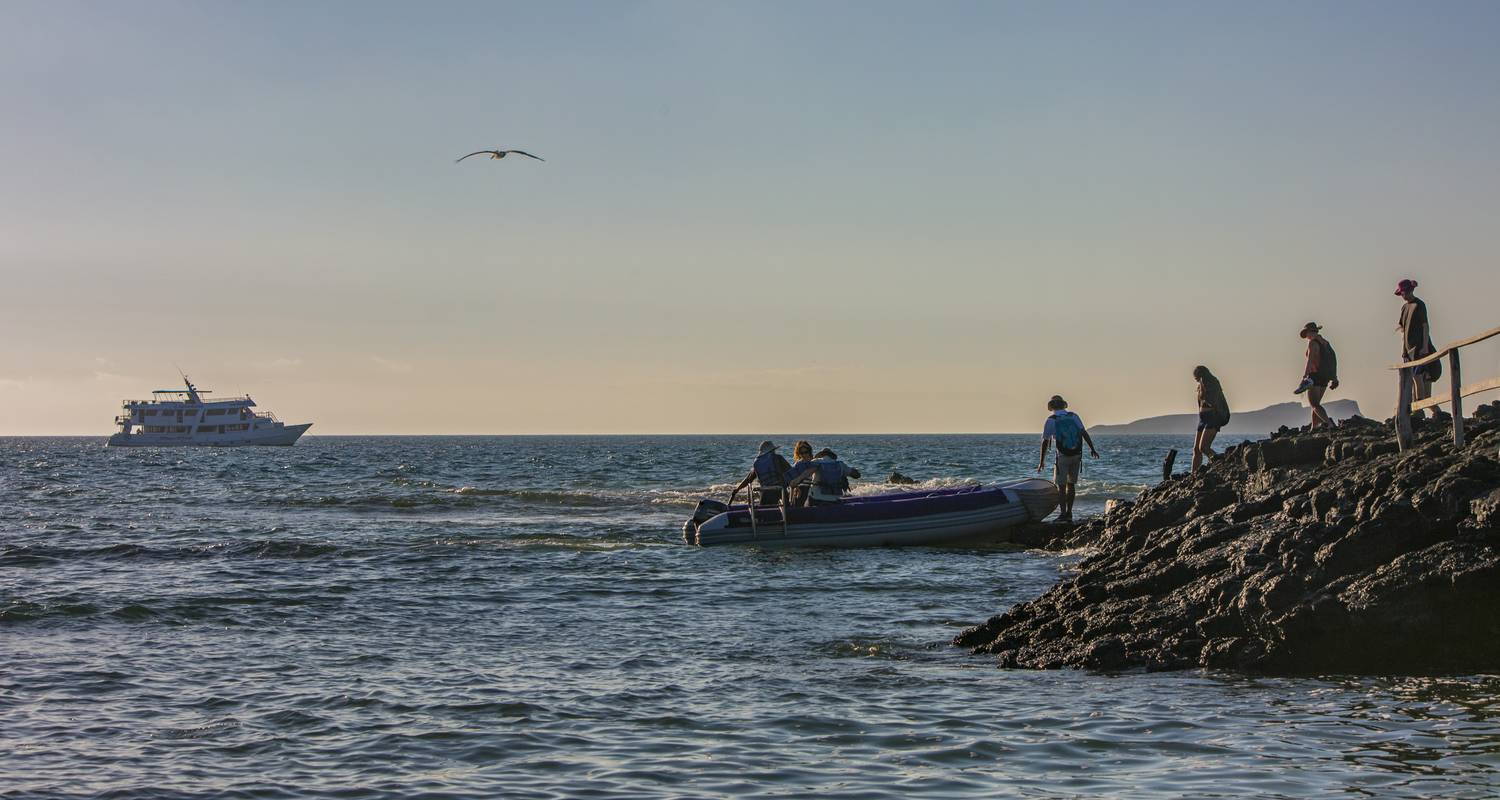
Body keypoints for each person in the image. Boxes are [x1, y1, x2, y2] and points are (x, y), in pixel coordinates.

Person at [1035, 395, 1099, 523]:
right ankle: (1070, 513)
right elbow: (1083, 432)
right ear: (1063, 405)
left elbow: (1045, 441)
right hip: (1076, 455)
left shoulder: (1051, 420)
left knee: (1061, 486)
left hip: (1062, 456)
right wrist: (1092, 449)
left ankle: (1063, 514)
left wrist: (1041, 461)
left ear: (1052, 406)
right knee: (1071, 485)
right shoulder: (1073, 416)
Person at [1396, 278, 1441, 411]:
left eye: (1404, 292)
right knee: (1421, 387)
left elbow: (1425, 326)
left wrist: (1425, 346)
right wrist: (1404, 351)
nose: (1403, 295)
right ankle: (1437, 415)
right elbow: (1403, 330)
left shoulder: (1419, 305)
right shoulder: (1404, 308)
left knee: (1418, 378)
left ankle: (1418, 410)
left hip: (1420, 349)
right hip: (1409, 351)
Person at [1297, 322, 1339, 429]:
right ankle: (1314, 427)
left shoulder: (1313, 343)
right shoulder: (1326, 343)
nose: (1306, 336)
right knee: (1316, 404)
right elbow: (1333, 361)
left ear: (1310, 332)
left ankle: (1329, 424)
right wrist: (1334, 378)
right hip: (1325, 377)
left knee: (1314, 404)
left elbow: (1310, 361)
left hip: (1315, 376)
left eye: (1306, 334)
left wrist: (1304, 377)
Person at [785, 447, 861, 505]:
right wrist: (852, 470)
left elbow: (807, 472)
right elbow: (857, 475)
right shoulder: (841, 465)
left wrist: (796, 480)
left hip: (816, 500)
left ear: (821, 455)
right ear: (831, 456)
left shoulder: (817, 462)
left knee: (805, 502)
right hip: (835, 500)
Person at [1192, 366, 1230, 473]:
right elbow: (1200, 402)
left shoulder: (1213, 383)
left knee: (1204, 447)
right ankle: (1193, 474)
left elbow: (1213, 401)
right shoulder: (1199, 385)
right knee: (1196, 450)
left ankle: (1220, 463)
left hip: (1212, 417)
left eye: (1197, 377)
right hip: (1202, 419)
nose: (1196, 380)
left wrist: (1204, 390)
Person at [729, 440, 791, 506]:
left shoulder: (757, 463)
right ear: (772, 450)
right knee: (787, 508)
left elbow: (748, 479)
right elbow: (791, 472)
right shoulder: (778, 458)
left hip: (765, 494)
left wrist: (738, 489)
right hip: (779, 492)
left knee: (763, 511)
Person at [782, 440, 815, 507]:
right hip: (802, 490)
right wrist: (796, 486)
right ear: (799, 453)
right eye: (801, 453)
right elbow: (788, 478)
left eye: (806, 452)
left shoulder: (815, 462)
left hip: (814, 489)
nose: (804, 455)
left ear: (809, 451)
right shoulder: (799, 464)